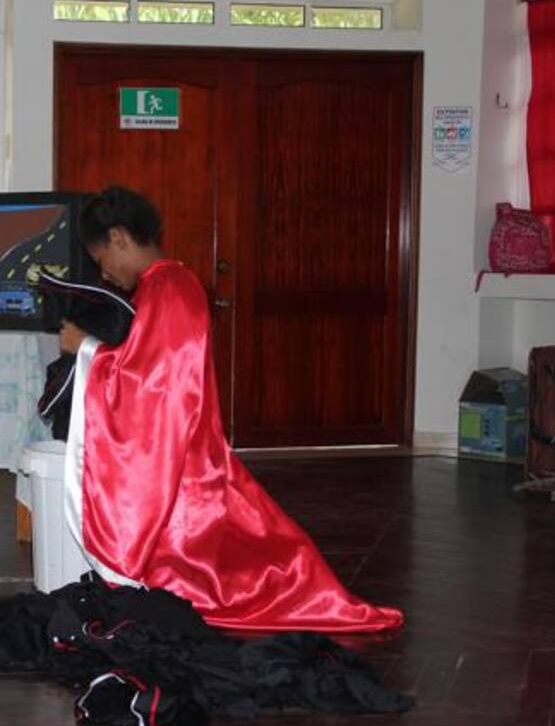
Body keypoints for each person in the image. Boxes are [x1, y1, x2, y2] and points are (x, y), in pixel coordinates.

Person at [57, 186, 402, 633]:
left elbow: (152, 384)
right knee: (248, 540)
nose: (104, 274)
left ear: (120, 238)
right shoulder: (168, 286)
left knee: (232, 560)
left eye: (102, 260)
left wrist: (84, 348)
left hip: (186, 461)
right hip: (192, 449)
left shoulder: (167, 289)